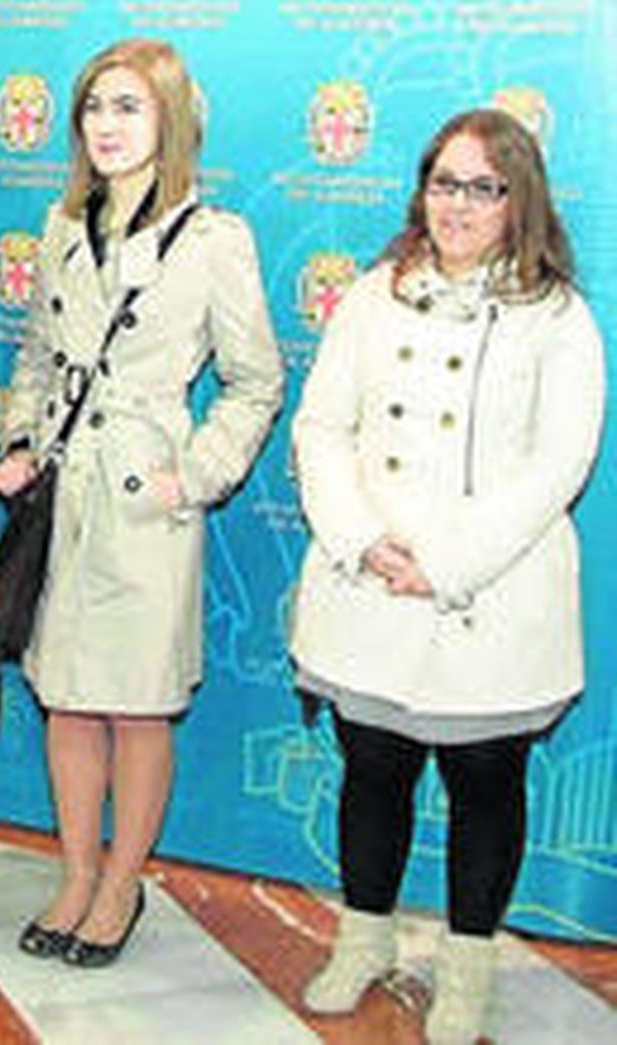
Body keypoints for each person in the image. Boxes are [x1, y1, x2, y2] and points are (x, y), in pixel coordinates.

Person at [291, 109, 604, 1044]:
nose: (458, 205)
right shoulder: (374, 294)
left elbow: (560, 462)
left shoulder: (558, 316)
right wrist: (361, 540)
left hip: (490, 594)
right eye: (444, 183)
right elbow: (321, 426)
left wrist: (450, 564)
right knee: (372, 771)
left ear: (519, 200)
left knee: (484, 783)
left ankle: (468, 965)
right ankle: (363, 939)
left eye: (482, 188)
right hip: (372, 583)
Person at [0, 38, 282, 965]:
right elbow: (36, 354)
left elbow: (255, 382)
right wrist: (19, 439)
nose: (107, 125)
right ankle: (77, 873)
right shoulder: (62, 225)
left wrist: (191, 476)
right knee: (67, 698)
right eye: (94, 107)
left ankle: (122, 882)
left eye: (129, 107)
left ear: (172, 120)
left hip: (144, 499)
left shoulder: (214, 238)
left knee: (137, 704)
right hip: (63, 494)